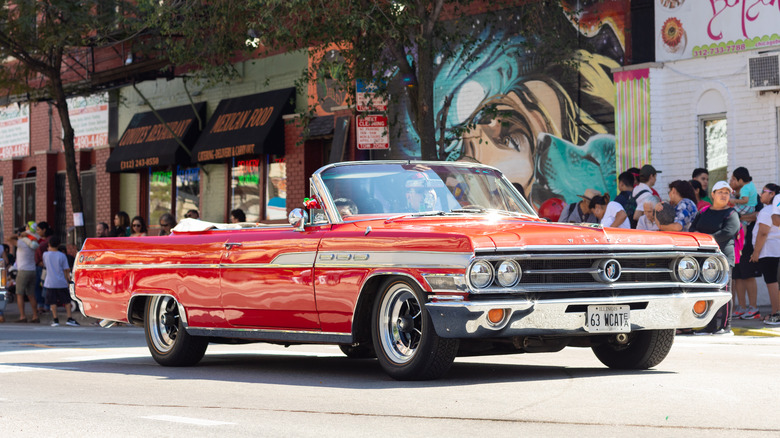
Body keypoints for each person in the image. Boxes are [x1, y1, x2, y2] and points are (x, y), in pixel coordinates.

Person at [689, 181, 741, 334]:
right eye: (720, 192)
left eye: (727, 192)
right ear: (713, 194)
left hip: (723, 258)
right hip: (704, 258)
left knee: (723, 292)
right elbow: (693, 229)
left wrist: (704, 238)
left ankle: (725, 327)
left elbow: (726, 233)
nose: (724, 195)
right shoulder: (703, 212)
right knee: (707, 292)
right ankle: (709, 326)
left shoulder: (732, 214)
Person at [729, 167, 761, 319]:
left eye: (733, 179)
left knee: (748, 275)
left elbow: (757, 215)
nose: (731, 182)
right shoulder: (733, 197)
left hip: (747, 244)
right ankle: (742, 307)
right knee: (738, 276)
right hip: (734, 243)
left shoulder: (752, 197)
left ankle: (753, 308)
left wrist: (741, 218)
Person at [749, 183, 780, 324]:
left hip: (769, 252)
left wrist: (756, 252)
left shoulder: (767, 211)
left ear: (772, 194)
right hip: (774, 251)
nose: (761, 194)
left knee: (772, 283)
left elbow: (763, 233)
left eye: (764, 191)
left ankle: (776, 313)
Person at [42, 236, 78, 327]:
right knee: (66, 301)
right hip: (61, 282)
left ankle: (55, 319)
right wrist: (69, 280)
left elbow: (45, 265)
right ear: (59, 245)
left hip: (50, 282)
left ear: (49, 244)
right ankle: (69, 318)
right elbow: (66, 270)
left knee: (52, 302)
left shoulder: (45, 255)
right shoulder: (62, 255)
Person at [15, 222, 41, 323]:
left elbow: (9, 239)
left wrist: (20, 235)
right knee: (31, 294)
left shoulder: (21, 242)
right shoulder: (35, 240)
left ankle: (22, 316)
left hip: (22, 271)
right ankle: (35, 316)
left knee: (19, 294)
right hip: (32, 270)